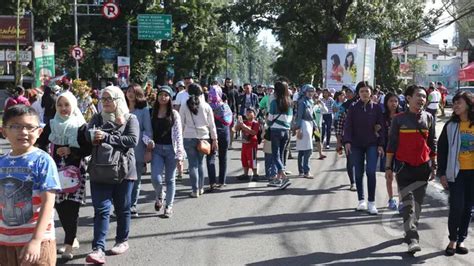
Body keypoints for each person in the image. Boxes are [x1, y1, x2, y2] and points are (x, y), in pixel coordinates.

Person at [0, 105, 60, 266]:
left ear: (39, 132)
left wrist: (36, 240)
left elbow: (48, 202)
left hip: (37, 241)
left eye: (29, 127)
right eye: (15, 126)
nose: (24, 132)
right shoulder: (1, 162)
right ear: (4, 131)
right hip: (5, 242)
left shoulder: (43, 160)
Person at [85, 86, 139, 264]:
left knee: (123, 209)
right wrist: (91, 136)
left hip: (124, 170)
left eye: (110, 99)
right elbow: (87, 136)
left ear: (118, 100)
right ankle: (98, 248)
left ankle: (122, 240)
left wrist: (107, 136)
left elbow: (132, 140)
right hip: (100, 169)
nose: (106, 102)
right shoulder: (97, 118)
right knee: (101, 210)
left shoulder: (130, 118)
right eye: (103, 99)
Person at [36, 91, 91, 260]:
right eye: (60, 105)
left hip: (74, 173)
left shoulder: (80, 126)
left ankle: (68, 245)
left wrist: (70, 150)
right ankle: (71, 238)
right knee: (59, 208)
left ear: (73, 106)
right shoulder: (52, 124)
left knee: (72, 208)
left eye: (67, 105)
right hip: (54, 173)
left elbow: (88, 149)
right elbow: (40, 143)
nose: (63, 108)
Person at [385, 85, 437, 254]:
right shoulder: (399, 119)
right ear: (408, 98)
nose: (422, 99)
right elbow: (391, 144)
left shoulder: (429, 118)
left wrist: (434, 166)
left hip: (423, 167)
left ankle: (409, 231)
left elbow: (432, 144)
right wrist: (388, 167)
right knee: (408, 205)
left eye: (424, 96)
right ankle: (413, 238)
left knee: (418, 205)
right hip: (403, 168)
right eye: (418, 96)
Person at [438, 91, 474, 256]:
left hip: (472, 174)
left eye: (459, 102)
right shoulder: (450, 125)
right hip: (456, 173)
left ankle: (461, 239)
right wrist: (442, 173)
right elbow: (442, 150)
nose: (455, 106)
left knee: (468, 207)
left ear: (468, 104)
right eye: (454, 103)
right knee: (457, 207)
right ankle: (452, 240)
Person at [344, 81, 384, 215]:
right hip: (356, 144)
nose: (365, 93)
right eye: (362, 91)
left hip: (372, 144)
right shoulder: (353, 108)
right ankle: (361, 200)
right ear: (358, 93)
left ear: (371, 92)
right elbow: (348, 126)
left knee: (371, 171)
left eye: (367, 91)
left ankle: (372, 202)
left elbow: (382, 127)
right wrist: (347, 141)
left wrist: (381, 144)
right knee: (358, 172)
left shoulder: (378, 108)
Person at [149, 86, 185, 218]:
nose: (163, 97)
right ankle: (160, 195)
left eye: (166, 95)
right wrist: (148, 140)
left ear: (170, 97)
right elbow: (146, 131)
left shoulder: (174, 114)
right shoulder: (151, 112)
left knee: (170, 180)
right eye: (160, 95)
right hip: (156, 149)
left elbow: (178, 135)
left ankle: (169, 206)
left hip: (171, 149)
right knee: (155, 178)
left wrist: (180, 155)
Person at [180, 83, 218, 198]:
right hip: (204, 137)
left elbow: (181, 123)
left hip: (189, 136)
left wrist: (179, 138)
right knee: (201, 163)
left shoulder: (184, 106)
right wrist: (214, 139)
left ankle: (194, 190)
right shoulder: (206, 106)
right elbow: (212, 125)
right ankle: (201, 188)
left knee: (192, 164)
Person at [125, 84, 153, 218]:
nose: (130, 94)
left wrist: (148, 147)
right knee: (121, 179)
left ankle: (132, 205)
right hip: (122, 147)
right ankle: (122, 205)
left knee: (135, 179)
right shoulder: (121, 108)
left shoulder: (144, 110)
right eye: (128, 91)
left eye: (133, 92)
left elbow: (148, 130)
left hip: (138, 147)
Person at [266, 80, 293, 189]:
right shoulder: (289, 102)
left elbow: (270, 118)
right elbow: (290, 119)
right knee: (281, 154)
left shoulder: (274, 102)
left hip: (275, 130)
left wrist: (268, 121)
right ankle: (278, 179)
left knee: (275, 154)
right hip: (286, 131)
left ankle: (284, 176)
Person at [206, 85, 232, 191]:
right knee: (223, 157)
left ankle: (212, 183)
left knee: (210, 157)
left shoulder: (207, 107)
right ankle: (222, 181)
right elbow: (229, 121)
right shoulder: (225, 106)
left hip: (211, 134)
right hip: (224, 133)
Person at [381, 92, 400, 211]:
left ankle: (402, 200)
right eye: (391, 101)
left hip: (400, 149)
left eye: (396, 101)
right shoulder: (382, 116)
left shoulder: (402, 115)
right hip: (387, 149)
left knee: (400, 175)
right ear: (386, 103)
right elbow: (378, 131)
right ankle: (391, 199)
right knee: (389, 175)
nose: (393, 104)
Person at [295, 84, 317, 179]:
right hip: (303, 124)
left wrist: (315, 125)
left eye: (312, 91)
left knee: (304, 149)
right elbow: (299, 116)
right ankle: (305, 171)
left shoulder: (310, 101)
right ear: (304, 91)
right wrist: (299, 128)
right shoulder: (302, 102)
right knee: (307, 149)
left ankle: (302, 170)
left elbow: (312, 114)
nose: (311, 93)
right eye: (309, 91)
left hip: (309, 124)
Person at [235, 108, 260, 181]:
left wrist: (244, 126)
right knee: (244, 159)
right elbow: (235, 129)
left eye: (250, 112)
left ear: (254, 115)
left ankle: (255, 174)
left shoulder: (255, 123)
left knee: (253, 159)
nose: (248, 113)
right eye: (247, 112)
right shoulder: (244, 122)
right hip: (245, 144)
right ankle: (245, 174)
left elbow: (253, 132)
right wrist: (239, 123)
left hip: (252, 143)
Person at [333, 90, 346, 155]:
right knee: (338, 135)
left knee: (343, 135)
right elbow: (333, 110)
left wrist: (339, 108)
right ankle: (339, 148)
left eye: (343, 95)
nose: (342, 96)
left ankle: (341, 146)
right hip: (336, 119)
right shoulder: (336, 102)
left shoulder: (346, 102)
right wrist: (340, 108)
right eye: (340, 95)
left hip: (344, 120)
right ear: (338, 96)